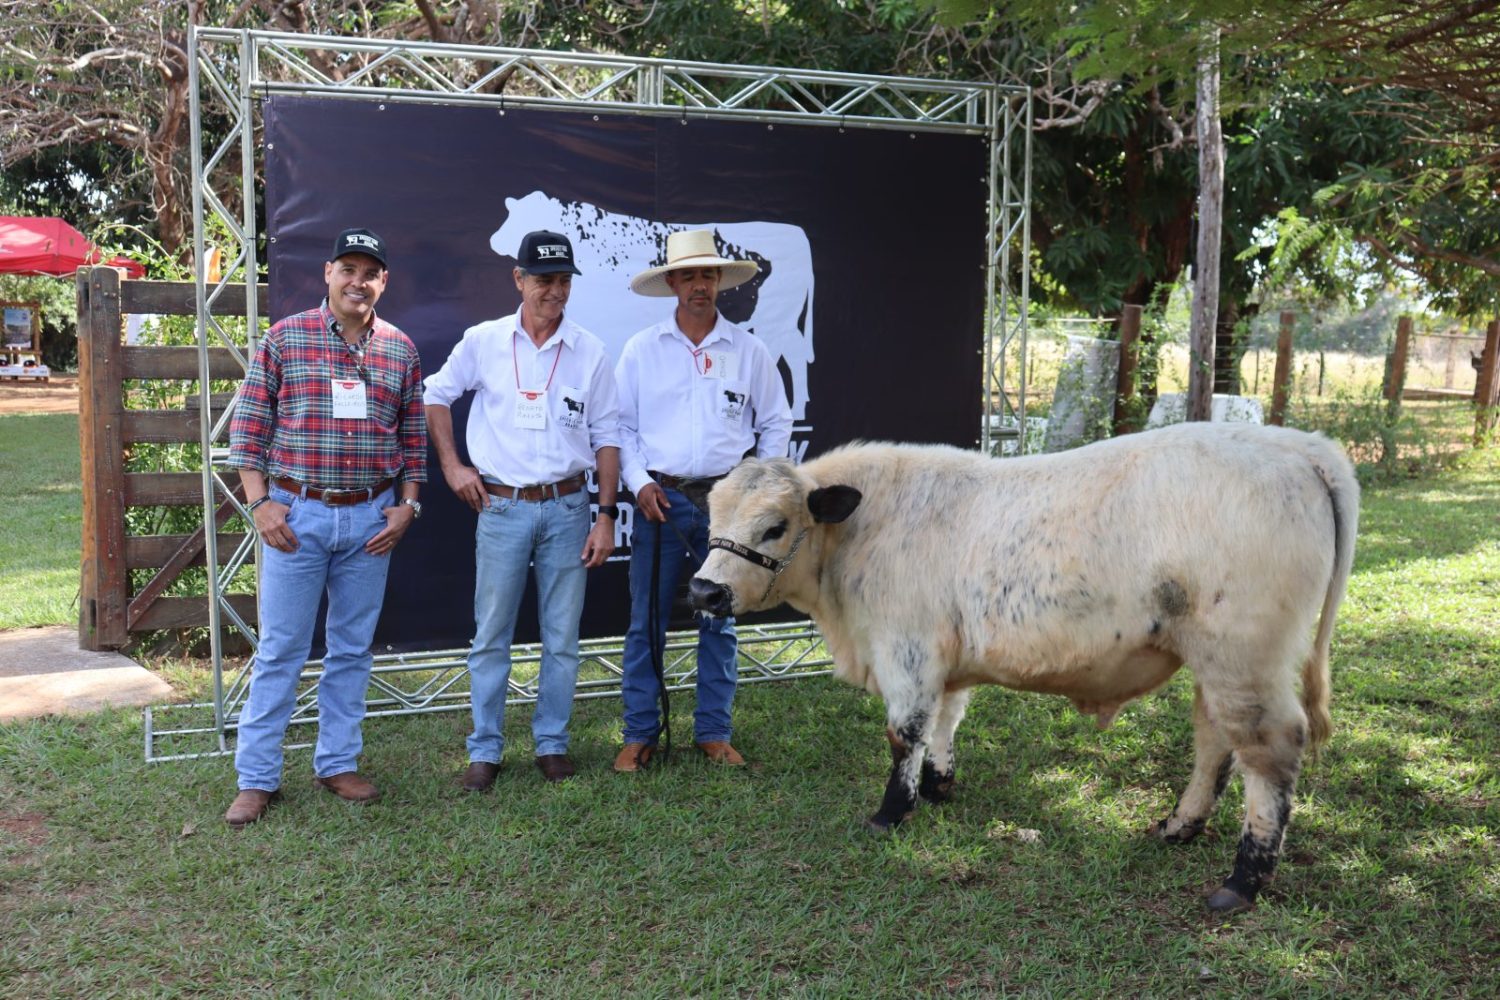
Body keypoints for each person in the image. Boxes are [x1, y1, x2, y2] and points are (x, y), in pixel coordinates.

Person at [224, 228, 428, 828]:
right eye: (348, 269)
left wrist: (408, 506)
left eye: (371, 272)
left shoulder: (401, 350)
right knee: (282, 649)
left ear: (383, 282)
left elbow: (413, 442)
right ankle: (256, 779)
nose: (358, 281)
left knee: (351, 651)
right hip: (297, 515)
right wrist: (260, 504)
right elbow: (249, 430)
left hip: (371, 519)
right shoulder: (285, 338)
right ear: (327, 273)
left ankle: (337, 763)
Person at [424, 230, 621, 789]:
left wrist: (606, 515)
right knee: (492, 633)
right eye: (543, 280)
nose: (554, 292)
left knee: (562, 635)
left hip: (567, 505)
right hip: (503, 506)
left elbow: (607, 437)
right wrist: (453, 467)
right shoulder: (484, 341)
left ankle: (551, 744)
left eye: (563, 281)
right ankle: (485, 749)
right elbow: (436, 395)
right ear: (519, 280)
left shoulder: (591, 351)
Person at [612, 229, 793, 772]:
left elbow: (777, 421)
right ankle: (639, 733)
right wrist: (639, 482)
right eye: (688, 276)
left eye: (707, 275)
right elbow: (619, 426)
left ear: (719, 282)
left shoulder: (749, 350)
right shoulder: (642, 350)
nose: (699, 286)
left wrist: (760, 485)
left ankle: (713, 732)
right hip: (659, 500)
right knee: (647, 621)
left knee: (720, 620)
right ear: (672, 283)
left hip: (726, 505)